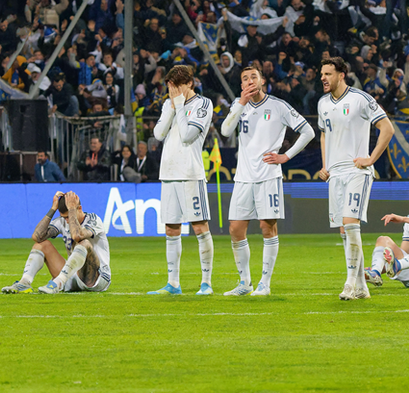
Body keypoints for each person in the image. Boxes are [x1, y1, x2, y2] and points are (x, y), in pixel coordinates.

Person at [219, 66, 314, 296]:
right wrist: (240, 102)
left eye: (254, 76)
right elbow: (224, 131)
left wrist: (285, 156)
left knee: (267, 227)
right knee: (235, 229)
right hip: (243, 177)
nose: (250, 80)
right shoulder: (238, 105)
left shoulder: (278, 106)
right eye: (245, 78)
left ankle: (265, 283)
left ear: (262, 80)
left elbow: (308, 131)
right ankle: (244, 283)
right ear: (241, 85)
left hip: (268, 176)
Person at [317, 57, 395, 300]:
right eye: (322, 74)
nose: (323, 78)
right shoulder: (322, 103)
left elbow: (387, 128)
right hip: (336, 173)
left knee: (351, 223)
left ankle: (350, 283)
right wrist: (325, 165)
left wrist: (370, 159)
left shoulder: (360, 99)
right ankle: (362, 287)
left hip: (356, 171)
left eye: (328, 74)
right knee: (344, 229)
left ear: (342, 75)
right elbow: (323, 135)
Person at [148, 65, 215, 296]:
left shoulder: (203, 104)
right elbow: (158, 134)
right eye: (169, 88)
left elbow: (188, 135)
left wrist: (177, 106)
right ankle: (173, 284)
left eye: (176, 87)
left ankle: (206, 283)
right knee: (171, 228)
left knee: (199, 227)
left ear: (189, 84)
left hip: (190, 173)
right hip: (168, 173)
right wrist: (172, 106)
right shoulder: (169, 104)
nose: (172, 92)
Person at [2, 191, 111, 294]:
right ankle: (24, 283)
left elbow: (77, 236)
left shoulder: (94, 219)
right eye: (64, 218)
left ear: (80, 209)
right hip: (72, 277)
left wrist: (72, 209)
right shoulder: (62, 221)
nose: (67, 221)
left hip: (96, 279)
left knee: (84, 243)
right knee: (41, 245)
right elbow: (37, 236)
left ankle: (57, 283)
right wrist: (53, 208)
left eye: (68, 217)